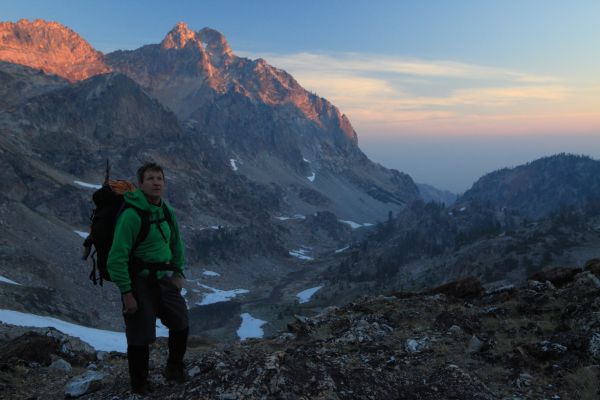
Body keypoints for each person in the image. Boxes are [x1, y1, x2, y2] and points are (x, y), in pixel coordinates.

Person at [107, 162, 188, 395]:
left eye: (160, 179)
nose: (156, 183)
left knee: (181, 321)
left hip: (164, 277)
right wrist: (127, 292)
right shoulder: (131, 216)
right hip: (138, 280)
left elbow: (176, 243)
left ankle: (174, 368)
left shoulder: (166, 210)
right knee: (140, 335)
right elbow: (116, 258)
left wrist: (178, 272)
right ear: (141, 185)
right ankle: (139, 384)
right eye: (150, 179)